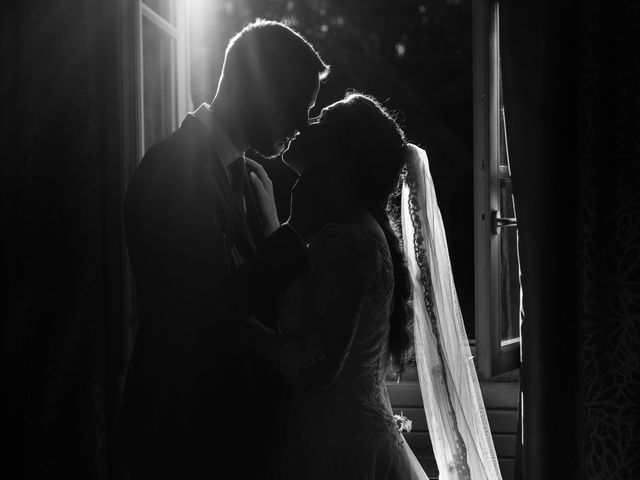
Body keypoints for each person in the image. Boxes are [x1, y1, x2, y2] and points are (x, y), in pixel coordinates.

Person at [119, 20, 331, 479]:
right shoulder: (172, 168)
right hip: (183, 436)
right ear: (251, 86)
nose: (301, 125)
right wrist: (298, 231)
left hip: (237, 433)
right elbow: (212, 303)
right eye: (295, 106)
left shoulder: (251, 178)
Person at [247, 92, 430, 479]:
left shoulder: (347, 238)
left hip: (335, 451)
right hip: (342, 435)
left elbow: (315, 365)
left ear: (342, 154)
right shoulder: (351, 229)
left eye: (322, 122)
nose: (303, 125)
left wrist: (236, 325)